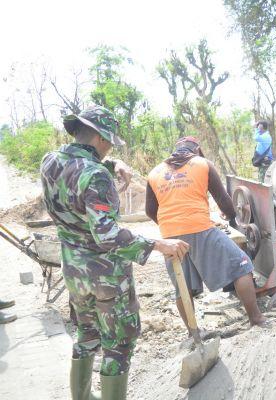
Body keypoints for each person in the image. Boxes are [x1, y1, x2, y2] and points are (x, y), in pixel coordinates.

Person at [40, 105, 189, 400]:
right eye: (109, 142)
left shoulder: (49, 161)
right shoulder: (96, 175)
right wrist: (158, 244)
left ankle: (83, 397)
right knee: (118, 345)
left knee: (86, 335)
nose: (110, 148)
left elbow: (75, 169)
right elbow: (106, 235)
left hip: (73, 271)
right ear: (100, 138)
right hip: (106, 277)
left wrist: (113, 164)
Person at [146, 136, 267, 330]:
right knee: (242, 266)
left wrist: (172, 225)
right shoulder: (203, 164)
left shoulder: (155, 172)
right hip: (200, 228)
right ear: (197, 150)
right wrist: (231, 216)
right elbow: (223, 200)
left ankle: (193, 334)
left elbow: (150, 210)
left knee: (182, 287)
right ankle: (257, 320)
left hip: (169, 236)